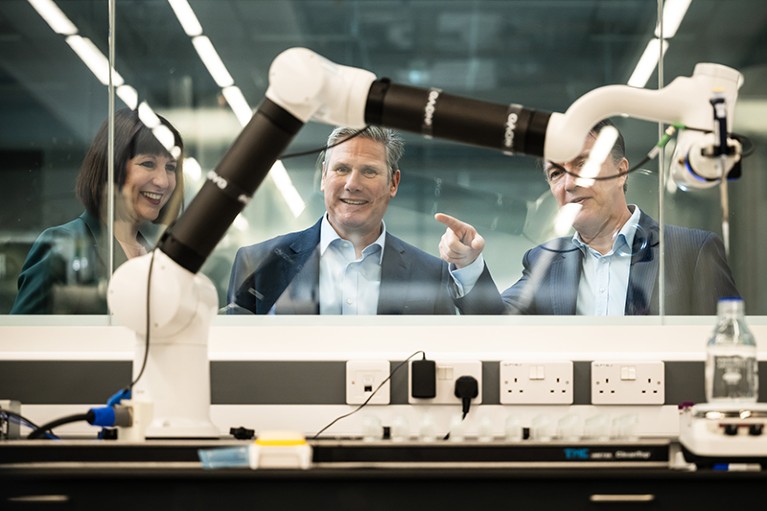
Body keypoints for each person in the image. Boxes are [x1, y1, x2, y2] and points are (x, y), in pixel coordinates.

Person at [437, 119, 739, 315]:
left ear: (621, 172)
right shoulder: (545, 262)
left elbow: (729, 346)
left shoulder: (691, 251)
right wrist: (468, 264)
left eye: (583, 165)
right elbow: (498, 326)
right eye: (556, 174)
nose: (568, 183)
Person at [224, 126, 498, 315]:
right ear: (323, 177)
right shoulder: (259, 263)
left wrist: (468, 266)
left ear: (393, 183)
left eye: (369, 171)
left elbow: (497, 337)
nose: (352, 184)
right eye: (342, 169)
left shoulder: (430, 275)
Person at [10, 108, 184, 314]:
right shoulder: (62, 245)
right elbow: (21, 338)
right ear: (112, 168)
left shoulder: (156, 256)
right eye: (148, 164)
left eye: (171, 167)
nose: (163, 181)